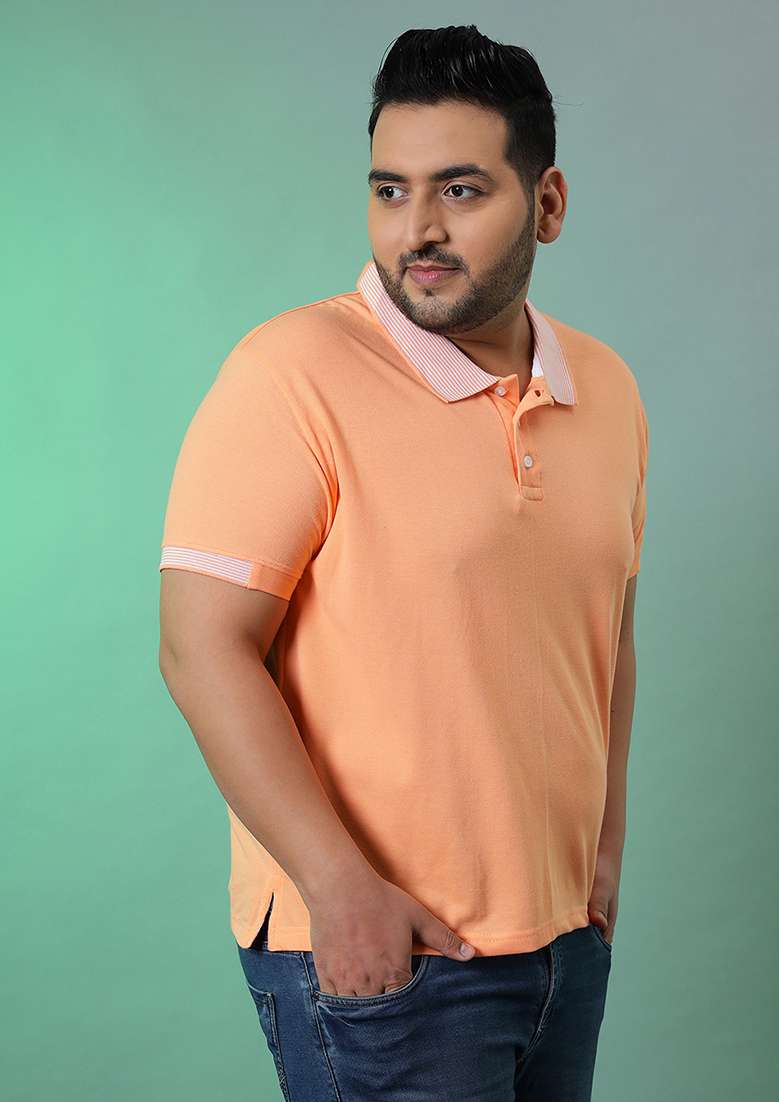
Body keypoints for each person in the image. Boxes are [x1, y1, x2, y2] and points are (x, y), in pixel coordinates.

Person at [158, 23, 649, 1102]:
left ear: (548, 203)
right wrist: (339, 889)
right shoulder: (293, 372)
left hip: (564, 944)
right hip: (393, 953)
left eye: (460, 190)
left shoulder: (606, 389)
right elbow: (201, 650)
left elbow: (605, 629)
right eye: (390, 191)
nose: (417, 229)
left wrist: (602, 854)